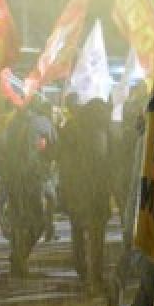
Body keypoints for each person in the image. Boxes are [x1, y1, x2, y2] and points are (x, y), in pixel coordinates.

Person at [55, 97, 113, 293]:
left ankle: (82, 269)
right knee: (96, 236)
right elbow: (106, 163)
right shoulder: (102, 131)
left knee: (78, 230)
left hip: (74, 189)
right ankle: (94, 279)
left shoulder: (71, 128)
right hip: (95, 191)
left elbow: (59, 156)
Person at [0, 105, 51, 277]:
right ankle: (20, 258)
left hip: (13, 178)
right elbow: (55, 148)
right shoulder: (42, 123)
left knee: (18, 221)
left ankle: (18, 259)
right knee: (39, 221)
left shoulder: (4, 125)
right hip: (32, 178)